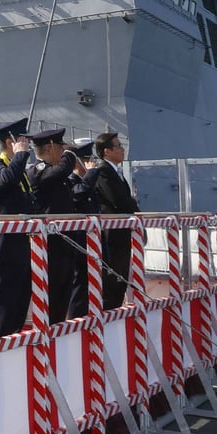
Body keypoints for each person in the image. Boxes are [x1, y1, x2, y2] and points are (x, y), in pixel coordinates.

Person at [0, 118, 37, 337]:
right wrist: (20, 156)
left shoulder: (19, 168)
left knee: (20, 304)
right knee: (6, 306)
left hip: (24, 246)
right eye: (24, 141)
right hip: (7, 248)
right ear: (11, 142)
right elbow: (6, 180)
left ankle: (14, 344)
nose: (28, 146)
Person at [26, 129, 79, 325]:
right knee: (52, 298)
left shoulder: (54, 173)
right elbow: (62, 170)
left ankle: (56, 336)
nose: (63, 151)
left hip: (65, 245)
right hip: (51, 247)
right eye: (60, 147)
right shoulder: (39, 171)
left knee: (62, 299)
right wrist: (71, 153)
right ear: (49, 147)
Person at [93, 131, 139, 309]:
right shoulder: (103, 171)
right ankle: (109, 316)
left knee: (121, 279)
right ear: (107, 151)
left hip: (121, 233)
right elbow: (117, 200)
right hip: (112, 234)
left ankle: (114, 314)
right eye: (118, 146)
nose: (122, 149)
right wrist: (136, 213)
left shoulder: (116, 172)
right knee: (113, 280)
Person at [66, 140, 101, 319]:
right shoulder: (71, 181)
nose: (91, 163)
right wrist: (91, 175)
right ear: (78, 161)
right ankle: (76, 321)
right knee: (79, 287)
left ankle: (87, 317)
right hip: (78, 242)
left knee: (89, 285)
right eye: (86, 159)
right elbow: (77, 194)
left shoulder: (88, 181)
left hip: (90, 242)